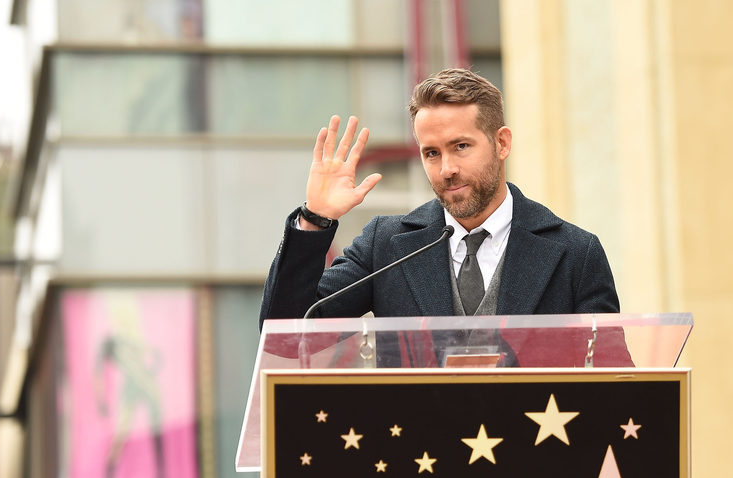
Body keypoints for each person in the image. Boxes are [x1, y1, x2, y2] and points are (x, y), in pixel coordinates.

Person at [259, 68, 619, 329]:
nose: (446, 168)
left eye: (461, 146)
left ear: (502, 143)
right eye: (431, 153)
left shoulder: (576, 253)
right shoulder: (385, 245)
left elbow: (612, 383)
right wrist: (315, 218)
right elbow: (287, 335)